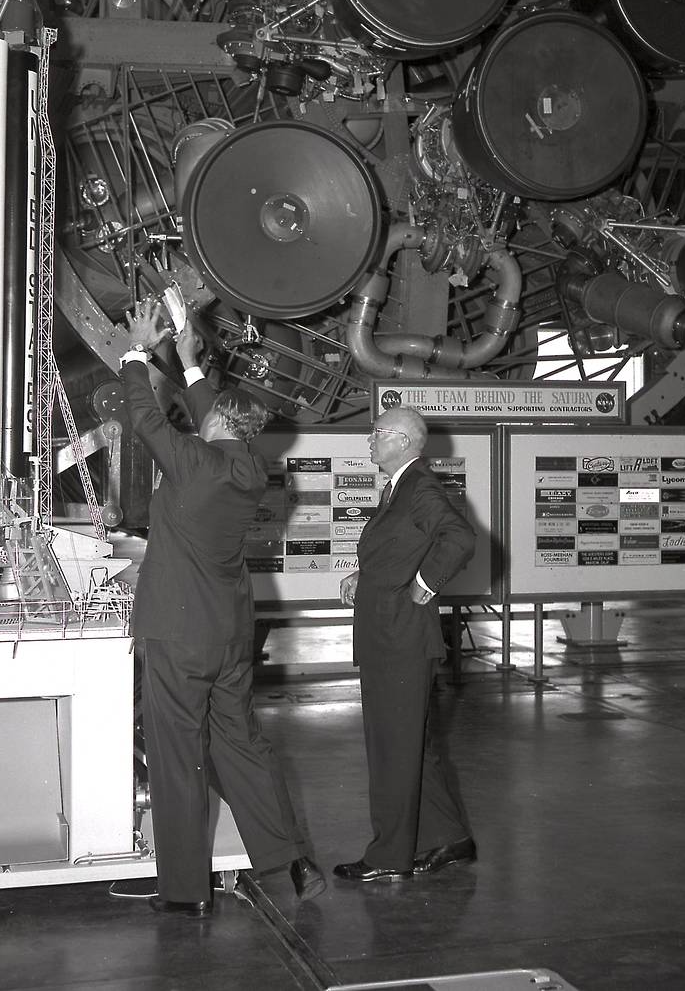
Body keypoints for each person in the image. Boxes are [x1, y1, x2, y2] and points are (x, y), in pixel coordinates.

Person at [118, 299, 324, 916]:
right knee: (242, 747)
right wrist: (186, 359)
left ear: (213, 423)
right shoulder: (247, 468)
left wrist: (135, 350)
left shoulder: (194, 462)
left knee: (178, 756)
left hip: (177, 637)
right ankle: (289, 861)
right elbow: (216, 414)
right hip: (230, 638)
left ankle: (184, 893)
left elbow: (143, 419)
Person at [334, 405, 476, 884]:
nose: (369, 441)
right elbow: (400, 547)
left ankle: (388, 856)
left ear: (402, 440)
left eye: (376, 433)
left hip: (399, 637)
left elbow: (459, 537)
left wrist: (426, 584)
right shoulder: (401, 488)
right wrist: (367, 575)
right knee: (411, 745)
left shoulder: (420, 487)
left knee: (392, 748)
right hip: (389, 633)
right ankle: (450, 838)